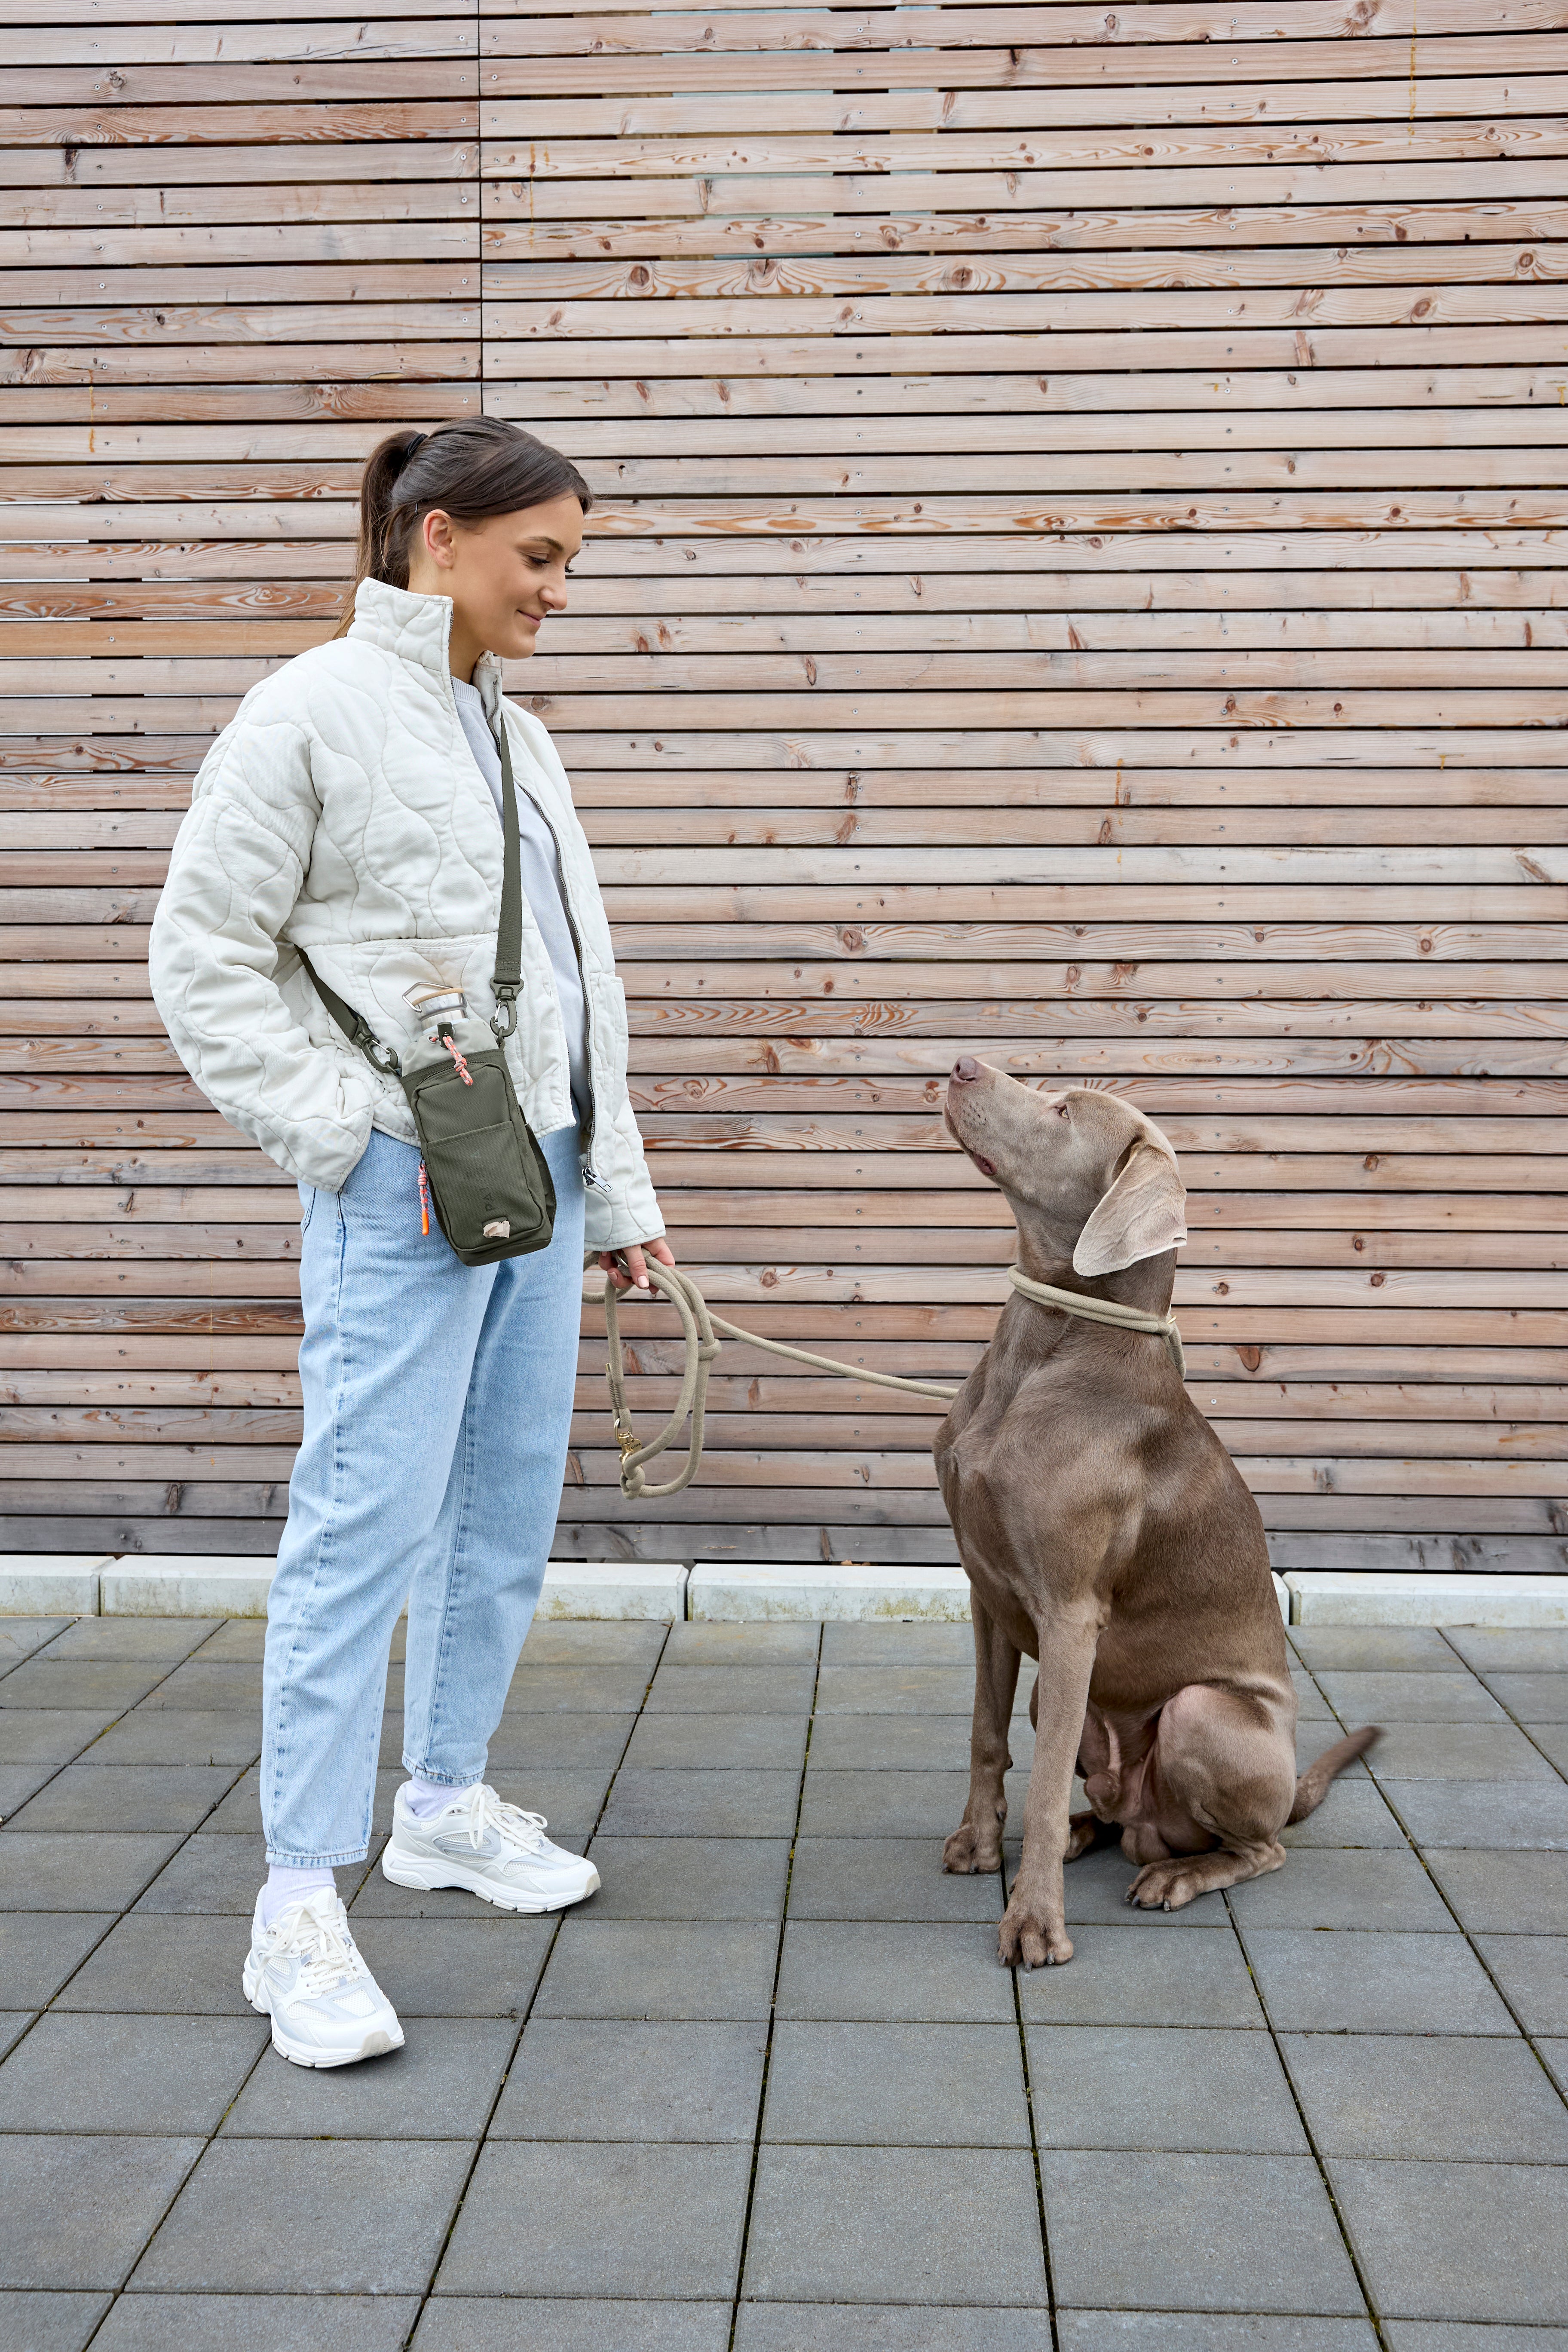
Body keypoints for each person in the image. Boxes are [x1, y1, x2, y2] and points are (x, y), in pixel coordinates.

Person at [149, 419, 675, 2066]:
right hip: (408, 1194)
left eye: (574, 559)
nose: (562, 590)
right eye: (545, 557)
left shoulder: (520, 739)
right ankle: (293, 1901)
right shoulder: (305, 710)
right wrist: (353, 1149)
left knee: (505, 1511)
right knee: (360, 1529)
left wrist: (619, 1203)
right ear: (437, 537)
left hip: (540, 1183)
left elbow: (581, 994)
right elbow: (201, 960)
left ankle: (441, 1801)